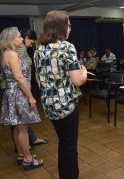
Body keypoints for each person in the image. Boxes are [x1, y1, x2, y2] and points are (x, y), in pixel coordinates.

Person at [34, 10, 87, 179]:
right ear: (60, 26)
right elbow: (78, 80)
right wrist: (84, 72)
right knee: (69, 145)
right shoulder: (67, 47)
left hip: (49, 105)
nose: (70, 28)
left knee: (64, 143)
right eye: (69, 24)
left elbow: (38, 78)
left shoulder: (39, 49)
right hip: (66, 105)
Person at [0, 27, 43, 170]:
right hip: (19, 94)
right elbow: (19, 78)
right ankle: (28, 160)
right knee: (23, 128)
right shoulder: (11, 54)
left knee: (18, 127)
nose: (21, 39)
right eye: (18, 37)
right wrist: (30, 97)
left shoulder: (6, 53)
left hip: (12, 93)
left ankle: (21, 154)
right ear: (11, 40)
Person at [14, 29, 48, 148]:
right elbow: (18, 73)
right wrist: (29, 95)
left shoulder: (19, 49)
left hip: (20, 87)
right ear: (26, 38)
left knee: (21, 120)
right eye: (32, 42)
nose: (31, 45)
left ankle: (27, 142)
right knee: (21, 121)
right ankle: (23, 148)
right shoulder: (21, 48)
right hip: (20, 88)